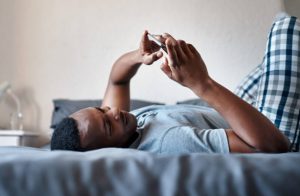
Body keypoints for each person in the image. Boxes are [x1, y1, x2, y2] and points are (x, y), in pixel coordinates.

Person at [51, 15, 299, 153]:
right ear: (106, 152)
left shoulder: (123, 125)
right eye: (107, 124)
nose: (114, 111)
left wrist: (138, 56)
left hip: (245, 117)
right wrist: (202, 84)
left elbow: (118, 78)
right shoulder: (169, 141)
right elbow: (271, 146)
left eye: (103, 109)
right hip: (272, 132)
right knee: (286, 29)